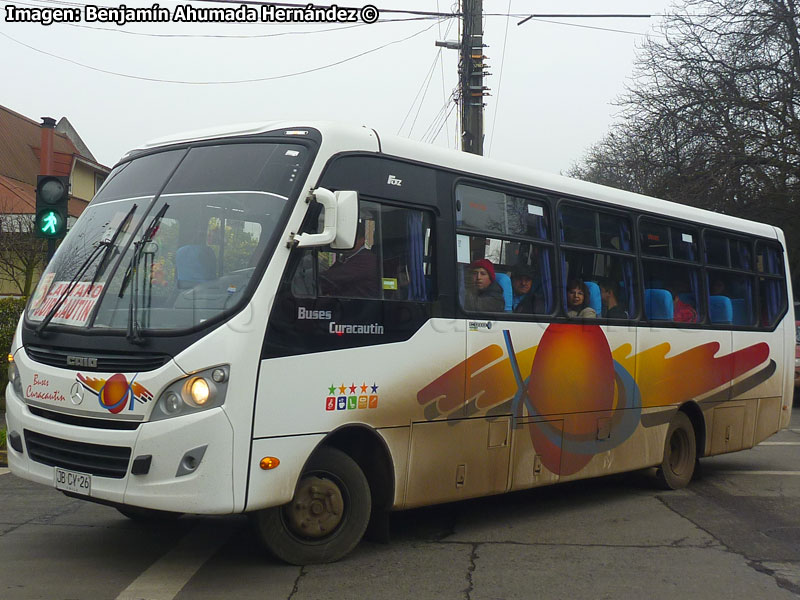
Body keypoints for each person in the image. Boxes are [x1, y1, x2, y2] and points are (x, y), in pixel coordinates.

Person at [319, 221, 380, 298]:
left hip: (359, 307)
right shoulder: (347, 257)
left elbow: (332, 278)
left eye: (350, 239)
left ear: (362, 240)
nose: (345, 242)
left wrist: (314, 278)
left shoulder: (366, 259)